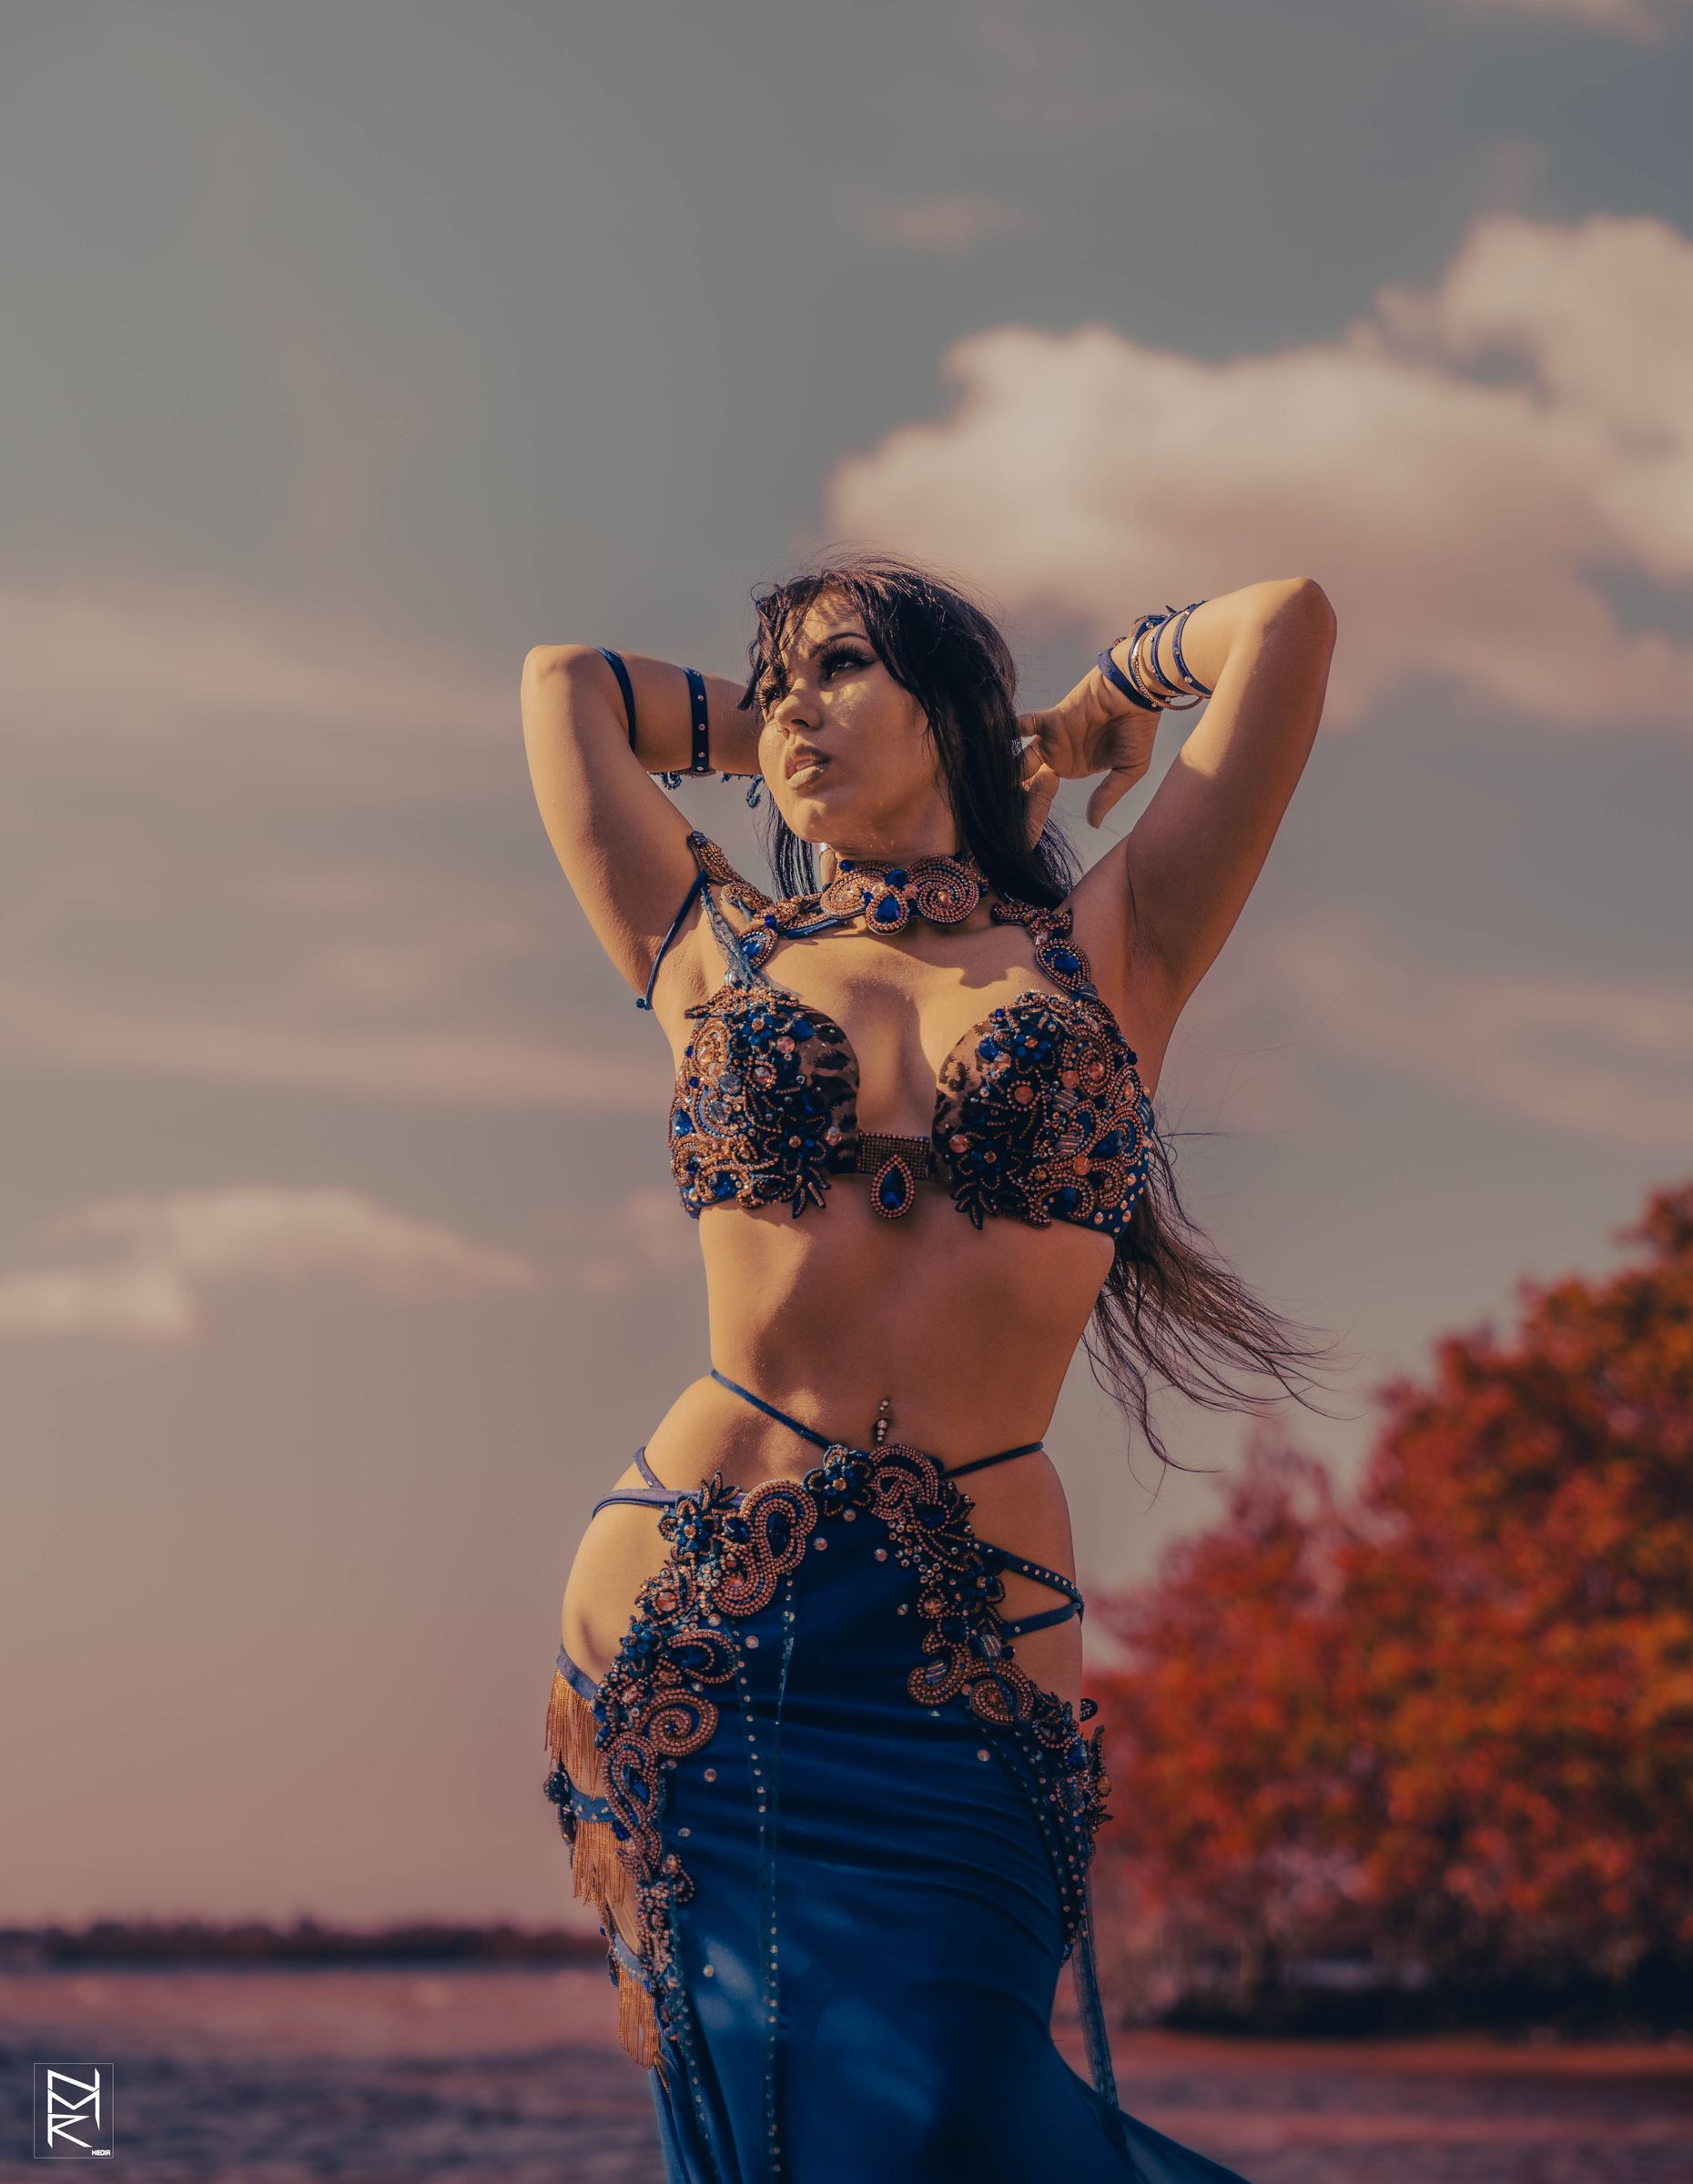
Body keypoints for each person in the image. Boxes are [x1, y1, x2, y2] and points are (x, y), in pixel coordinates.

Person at [522, 555, 1337, 2182]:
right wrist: (771, 722)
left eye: (840, 670)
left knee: (958, 2100)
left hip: (972, 1620)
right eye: (780, 683)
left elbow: (1289, 622)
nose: (798, 713)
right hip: (700, 1602)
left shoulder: (1116, 946)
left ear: (951, 710)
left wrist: (1102, 708)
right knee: (776, 2113)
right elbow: (567, 688)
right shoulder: (712, 948)